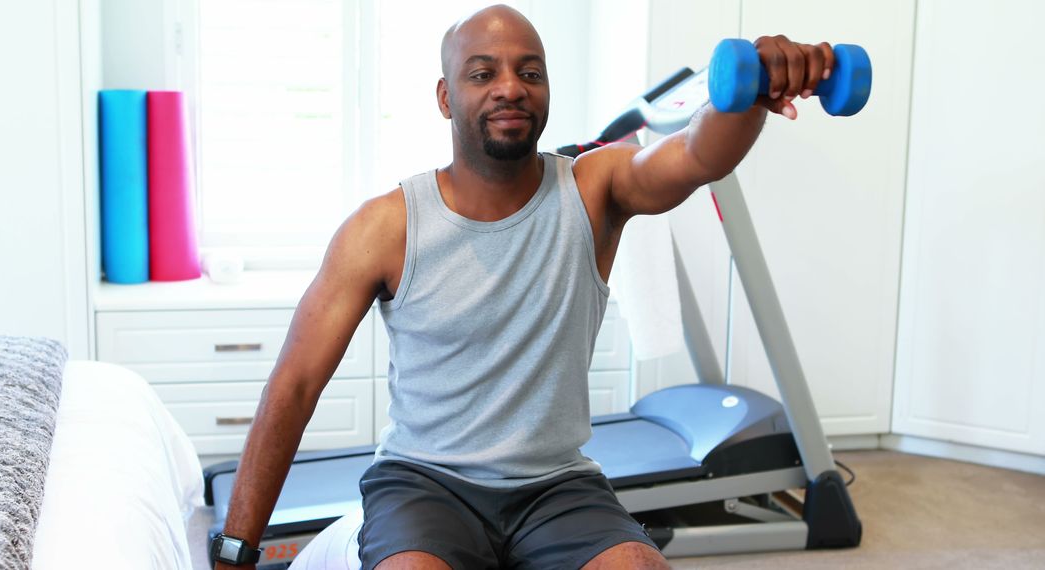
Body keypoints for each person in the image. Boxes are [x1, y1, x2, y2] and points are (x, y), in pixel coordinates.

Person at [214, 4, 833, 569]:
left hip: (556, 485)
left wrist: (755, 87)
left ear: (546, 92)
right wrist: (237, 550)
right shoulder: (385, 227)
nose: (510, 86)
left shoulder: (595, 189)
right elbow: (293, 386)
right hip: (424, 482)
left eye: (529, 72)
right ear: (444, 96)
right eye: (482, 73)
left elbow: (699, 156)